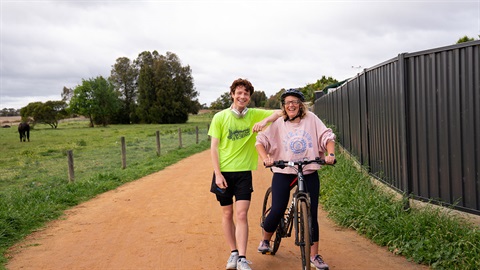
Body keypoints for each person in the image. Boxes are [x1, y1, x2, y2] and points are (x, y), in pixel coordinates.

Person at [255, 88, 336, 270]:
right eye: (287, 102)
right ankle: (266, 239)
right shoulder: (278, 123)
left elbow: (327, 136)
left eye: (295, 101)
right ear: (284, 106)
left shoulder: (312, 119)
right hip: (284, 171)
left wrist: (330, 153)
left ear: (301, 105)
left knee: (311, 213)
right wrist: (266, 158)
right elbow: (261, 141)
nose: (291, 105)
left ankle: (314, 255)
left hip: (308, 171)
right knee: (277, 210)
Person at [208, 78, 281, 270]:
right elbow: (214, 148)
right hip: (223, 173)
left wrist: (265, 120)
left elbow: (281, 113)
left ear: (249, 97)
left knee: (241, 214)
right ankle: (232, 253)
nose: (242, 96)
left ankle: (241, 258)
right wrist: (217, 174)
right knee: (227, 213)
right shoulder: (220, 117)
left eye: (246, 94)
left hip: (243, 173)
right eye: (239, 93)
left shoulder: (254, 114)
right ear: (232, 94)